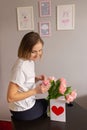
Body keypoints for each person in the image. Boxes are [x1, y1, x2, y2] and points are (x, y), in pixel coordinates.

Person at [7, 31, 50, 121]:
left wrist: (36, 79)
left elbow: (23, 83)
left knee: (48, 102)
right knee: (49, 105)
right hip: (22, 110)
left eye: (40, 50)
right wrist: (35, 91)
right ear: (25, 49)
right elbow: (10, 97)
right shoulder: (20, 67)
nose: (38, 54)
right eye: (34, 51)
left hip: (27, 104)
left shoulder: (29, 61)